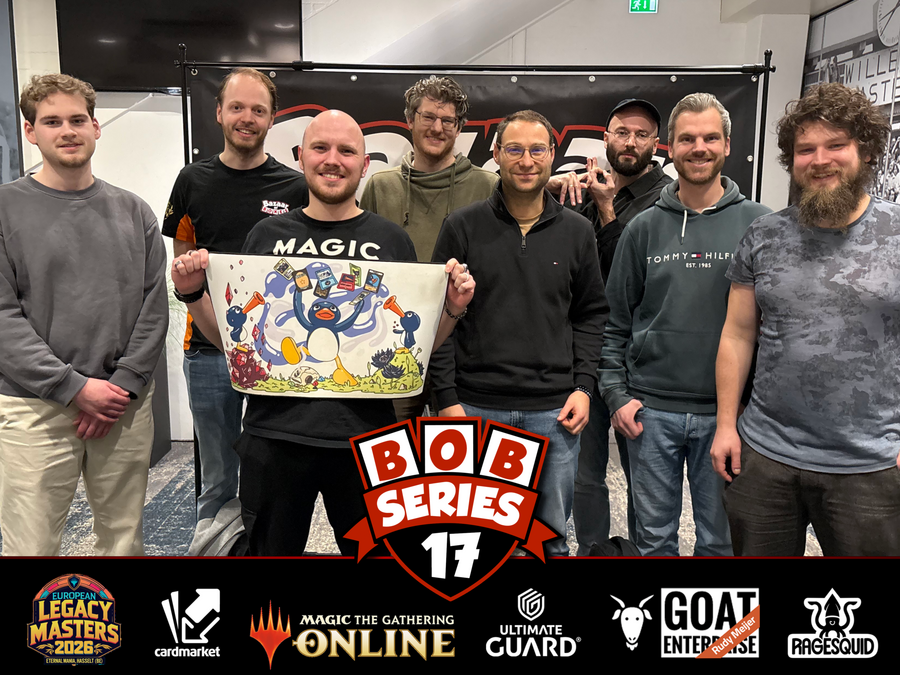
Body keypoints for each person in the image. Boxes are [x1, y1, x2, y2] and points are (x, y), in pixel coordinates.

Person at [171, 110, 474, 556]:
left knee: (378, 562)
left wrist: (452, 307)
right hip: (273, 436)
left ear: (364, 164)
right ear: (301, 157)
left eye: (346, 151)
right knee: (270, 565)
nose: (333, 160)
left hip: (368, 437)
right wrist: (194, 294)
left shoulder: (391, 240)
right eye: (321, 148)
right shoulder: (265, 235)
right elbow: (236, 347)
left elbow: (417, 347)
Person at [711, 82, 900, 556]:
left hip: (871, 465)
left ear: (866, 151)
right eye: (805, 149)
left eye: (836, 145)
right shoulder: (764, 234)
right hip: (765, 457)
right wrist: (727, 425)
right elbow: (737, 335)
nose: (820, 160)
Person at [0, 74, 167, 555]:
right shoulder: (5, 209)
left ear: (96, 127)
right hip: (34, 405)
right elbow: (3, 320)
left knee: (123, 542)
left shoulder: (134, 212)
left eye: (77, 120)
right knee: (31, 546)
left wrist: (122, 386)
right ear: (31, 131)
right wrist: (73, 388)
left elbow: (153, 307)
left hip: (121, 404)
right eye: (52, 121)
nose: (67, 131)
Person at [599, 93, 770, 557]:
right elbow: (615, 321)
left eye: (710, 138)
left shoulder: (761, 225)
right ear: (669, 147)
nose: (699, 148)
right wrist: (616, 395)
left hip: (728, 417)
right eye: (688, 139)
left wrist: (751, 410)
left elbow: (774, 328)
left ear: (727, 145)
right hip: (651, 413)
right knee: (654, 541)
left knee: (720, 541)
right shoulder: (643, 228)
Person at [431, 110, 608, 557]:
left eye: (536, 150)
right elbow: (437, 318)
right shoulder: (462, 226)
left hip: (554, 413)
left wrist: (584, 387)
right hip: (474, 408)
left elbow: (591, 315)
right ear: (495, 154)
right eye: (514, 149)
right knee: (475, 546)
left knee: (549, 542)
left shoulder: (578, 231)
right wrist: (446, 399)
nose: (526, 161)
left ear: (552, 155)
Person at [162, 68, 308, 528]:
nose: (247, 118)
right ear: (219, 113)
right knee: (217, 479)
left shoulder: (295, 187)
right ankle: (215, 552)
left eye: (258, 110)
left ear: (271, 118)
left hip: (277, 356)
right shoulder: (191, 181)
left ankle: (268, 550)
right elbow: (183, 269)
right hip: (208, 354)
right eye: (238, 107)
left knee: (275, 473)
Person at [548, 98, 672, 553]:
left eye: (642, 134)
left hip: (635, 359)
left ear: (656, 143)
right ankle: (594, 551)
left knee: (644, 476)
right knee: (585, 471)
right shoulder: (584, 188)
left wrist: (605, 210)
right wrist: (549, 188)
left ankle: (640, 554)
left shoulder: (668, 198)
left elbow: (630, 275)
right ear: (606, 138)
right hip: (582, 354)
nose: (631, 142)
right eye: (622, 132)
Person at [360, 75, 498, 421]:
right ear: (410, 120)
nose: (437, 128)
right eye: (428, 117)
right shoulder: (380, 187)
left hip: (465, 355)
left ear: (459, 127)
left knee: (462, 454)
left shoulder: (488, 186)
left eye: (448, 120)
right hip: (394, 348)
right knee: (389, 449)